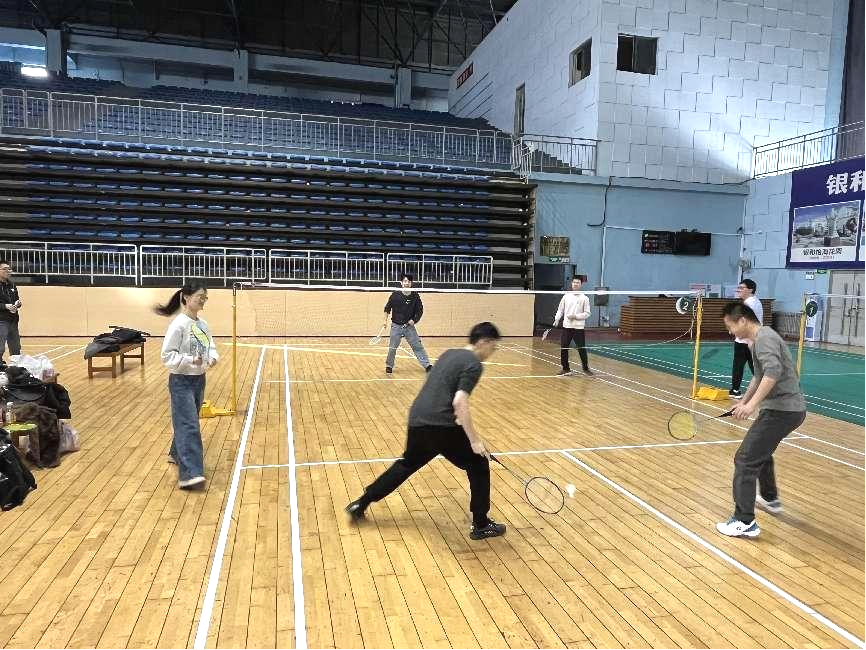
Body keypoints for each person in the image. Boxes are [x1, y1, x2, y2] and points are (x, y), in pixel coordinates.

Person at [346, 322, 506, 540]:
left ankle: (360, 504)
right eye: (493, 347)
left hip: (418, 419)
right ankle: (481, 524)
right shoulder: (474, 364)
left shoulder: (449, 354)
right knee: (478, 464)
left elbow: (442, 390)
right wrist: (475, 441)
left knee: (406, 464)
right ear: (483, 342)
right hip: (440, 425)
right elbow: (460, 402)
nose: (492, 352)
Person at [717, 302, 806, 538]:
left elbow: (772, 373)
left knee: (745, 459)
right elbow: (758, 376)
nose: (730, 332)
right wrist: (743, 401)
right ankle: (770, 498)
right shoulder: (759, 339)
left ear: (742, 320)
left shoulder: (765, 339)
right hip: (784, 410)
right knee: (760, 452)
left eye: (730, 326)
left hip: (783, 411)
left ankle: (744, 521)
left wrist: (752, 406)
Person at [154, 282, 219, 489]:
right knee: (189, 425)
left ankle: (176, 453)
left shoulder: (203, 325)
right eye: (200, 296)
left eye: (205, 297)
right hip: (181, 382)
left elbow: (210, 346)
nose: (203, 300)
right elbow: (167, 356)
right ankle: (190, 474)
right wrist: (191, 360)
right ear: (186, 297)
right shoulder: (179, 325)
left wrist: (212, 357)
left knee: (187, 421)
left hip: (199, 380)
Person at [383, 274, 433, 375]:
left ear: (411, 283)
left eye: (409, 281)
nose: (407, 283)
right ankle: (389, 366)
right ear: (401, 283)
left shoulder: (415, 295)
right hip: (396, 326)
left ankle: (427, 365)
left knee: (417, 346)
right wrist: (384, 321)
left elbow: (420, 310)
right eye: (405, 281)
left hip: (409, 327)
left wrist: (414, 320)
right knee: (392, 348)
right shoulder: (395, 295)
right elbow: (387, 309)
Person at [730, 279, 763, 399]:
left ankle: (735, 390)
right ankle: (764, 391)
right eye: (739, 288)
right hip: (750, 339)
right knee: (754, 367)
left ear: (750, 290)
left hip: (746, 341)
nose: (739, 290)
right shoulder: (754, 301)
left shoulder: (750, 303)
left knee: (742, 366)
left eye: (742, 288)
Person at [553, 277, 594, 376]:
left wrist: (575, 316)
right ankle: (566, 369)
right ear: (572, 284)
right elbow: (560, 310)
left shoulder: (585, 298)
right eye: (574, 282)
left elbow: (587, 313)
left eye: (578, 283)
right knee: (564, 347)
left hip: (578, 327)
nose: (575, 284)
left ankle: (585, 368)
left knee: (581, 348)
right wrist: (557, 319)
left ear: (581, 285)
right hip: (567, 326)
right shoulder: (566, 297)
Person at [0, 260, 22, 364]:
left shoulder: (12, 285)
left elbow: (17, 299)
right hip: (1, 320)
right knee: (0, 347)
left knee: (16, 347)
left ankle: (16, 368)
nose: (8, 271)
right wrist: (5, 306)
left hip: (13, 320)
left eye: (9, 269)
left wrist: (17, 304)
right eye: (5, 269)